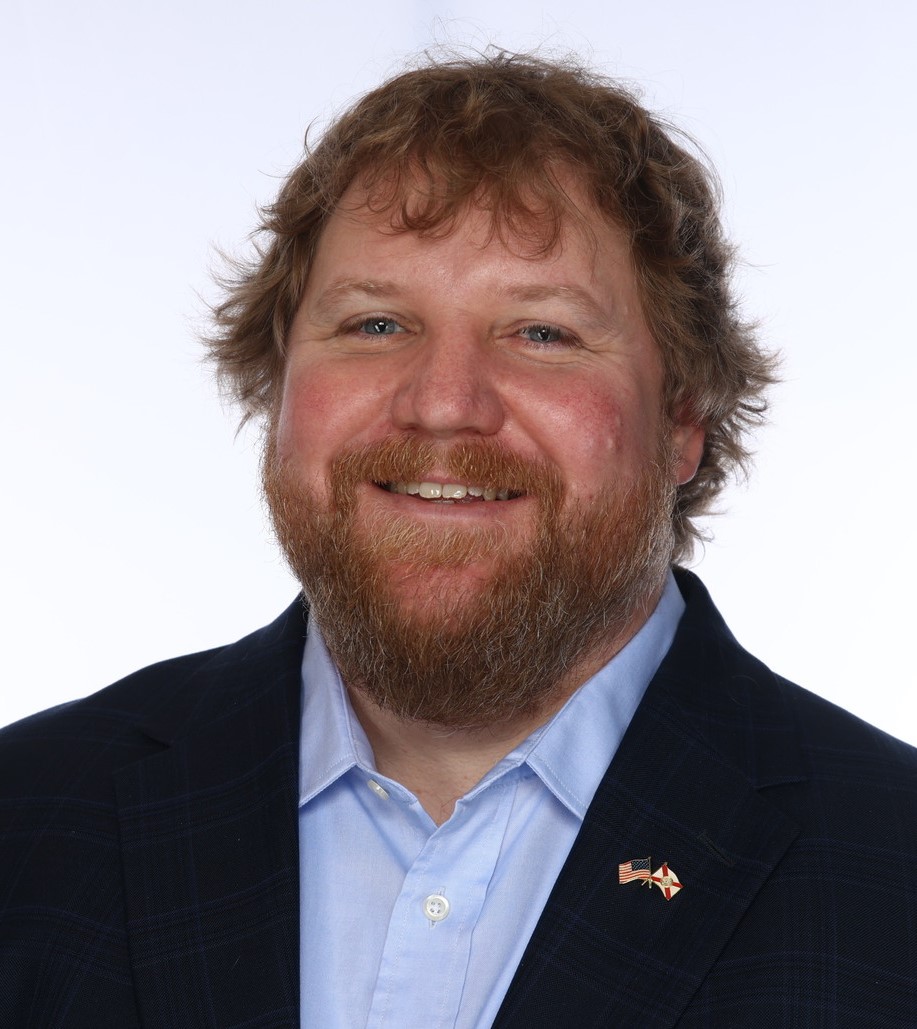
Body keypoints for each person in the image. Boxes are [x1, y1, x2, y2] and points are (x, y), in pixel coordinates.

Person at [2, 51, 916, 1029]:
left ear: (682, 417)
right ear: (278, 388)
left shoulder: (891, 873)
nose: (442, 404)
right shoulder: (29, 821)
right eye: (376, 323)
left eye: (540, 333)